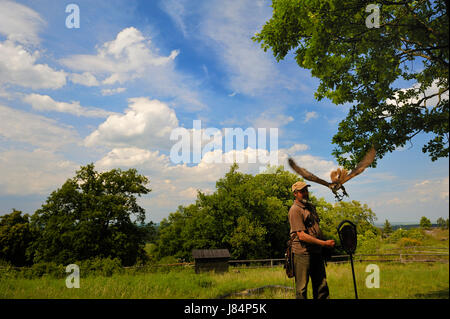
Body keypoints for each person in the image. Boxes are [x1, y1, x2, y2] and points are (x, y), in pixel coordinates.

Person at [288, 181, 335, 299]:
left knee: (321, 286)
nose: (305, 193)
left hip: (316, 252)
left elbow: (315, 229)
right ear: (295, 194)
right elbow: (301, 235)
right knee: (302, 289)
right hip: (302, 253)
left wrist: (324, 245)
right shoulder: (295, 210)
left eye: (306, 190)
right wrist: (324, 244)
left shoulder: (311, 207)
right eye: (301, 191)